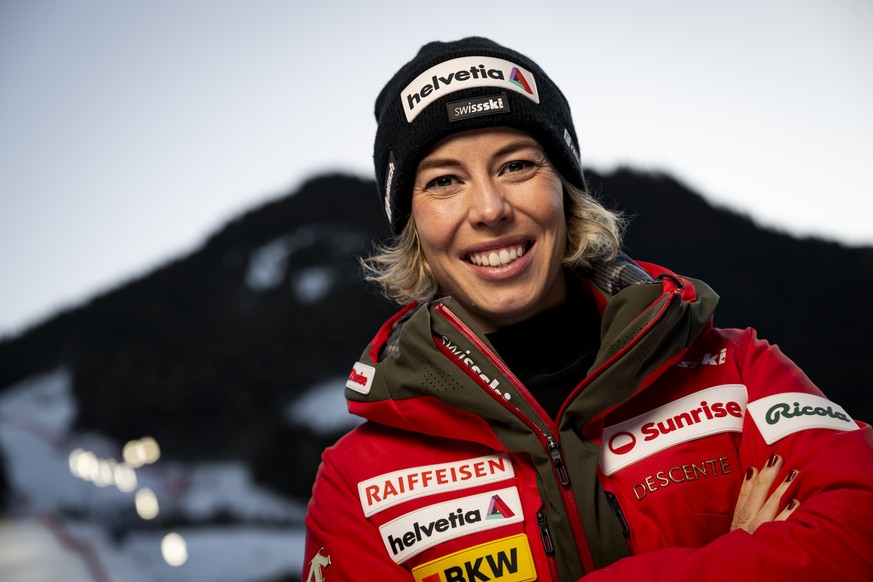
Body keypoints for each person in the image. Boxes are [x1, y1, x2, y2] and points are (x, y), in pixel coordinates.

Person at [302, 37, 873, 581]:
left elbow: (858, 536)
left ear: (565, 188)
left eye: (516, 165)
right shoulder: (357, 483)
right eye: (445, 181)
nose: (490, 209)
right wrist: (741, 562)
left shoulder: (737, 371)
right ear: (413, 227)